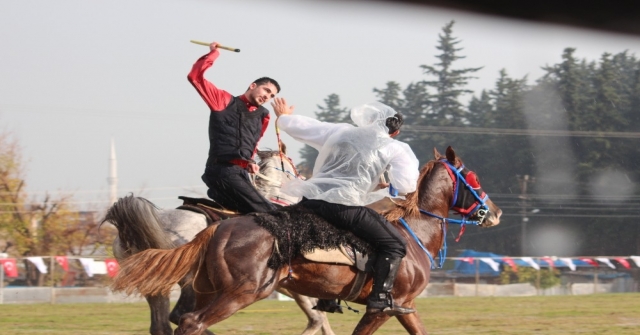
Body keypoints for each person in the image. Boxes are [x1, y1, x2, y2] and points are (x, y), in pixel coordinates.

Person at [271, 98, 420, 316]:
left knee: (332, 238)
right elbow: (406, 185)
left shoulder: (341, 131)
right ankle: (380, 298)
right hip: (343, 206)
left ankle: (327, 297)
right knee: (394, 244)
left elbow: (301, 128)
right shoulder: (395, 147)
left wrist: (284, 116)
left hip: (310, 201)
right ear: (394, 133)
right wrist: (387, 186)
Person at [187, 42, 279, 214]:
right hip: (222, 171)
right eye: (265, 90)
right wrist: (214, 54)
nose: (267, 96)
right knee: (271, 213)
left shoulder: (264, 115)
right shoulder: (223, 100)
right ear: (253, 85)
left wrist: (250, 162)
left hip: (241, 174)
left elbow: (254, 142)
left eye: (271, 95)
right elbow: (195, 77)